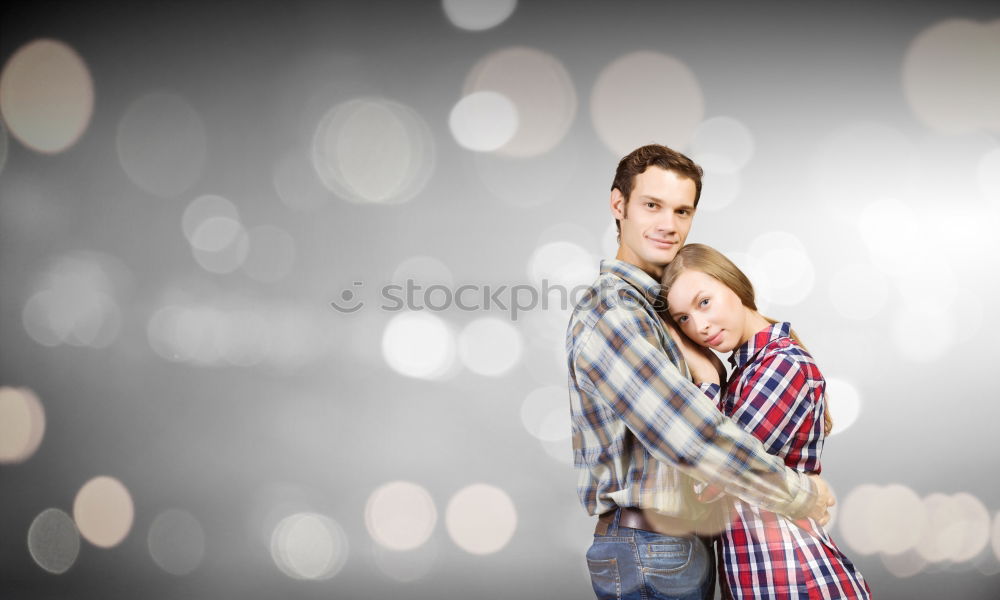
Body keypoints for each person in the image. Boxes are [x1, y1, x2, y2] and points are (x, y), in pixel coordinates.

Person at [566, 144, 836, 600]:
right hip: (650, 544)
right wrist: (799, 493)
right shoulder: (614, 311)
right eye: (652, 205)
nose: (669, 225)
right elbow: (691, 436)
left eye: (682, 210)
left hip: (675, 545)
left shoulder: (662, 309)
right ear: (619, 205)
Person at [662, 243, 871, 599]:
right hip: (765, 579)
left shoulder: (782, 364)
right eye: (683, 319)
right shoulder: (747, 372)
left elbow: (712, 479)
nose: (700, 326)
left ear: (736, 287)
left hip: (797, 579)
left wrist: (707, 381)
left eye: (704, 302)